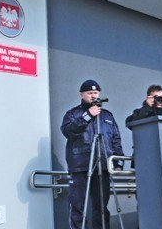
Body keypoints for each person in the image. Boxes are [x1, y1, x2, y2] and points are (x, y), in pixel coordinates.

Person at [61, 79, 124, 229]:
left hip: (102, 166)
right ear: (82, 94)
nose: (93, 95)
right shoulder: (73, 114)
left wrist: (118, 163)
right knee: (77, 205)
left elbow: (115, 140)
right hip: (80, 166)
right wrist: (88, 115)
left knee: (101, 206)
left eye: (96, 93)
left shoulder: (107, 116)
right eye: (90, 93)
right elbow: (68, 132)